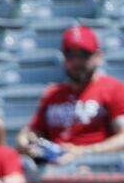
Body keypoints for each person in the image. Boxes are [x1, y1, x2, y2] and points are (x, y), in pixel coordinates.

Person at [17, 26, 124, 167]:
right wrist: (26, 141)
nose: (77, 62)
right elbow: (32, 131)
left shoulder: (113, 88)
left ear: (98, 56)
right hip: (55, 167)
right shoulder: (52, 93)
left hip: (96, 167)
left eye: (83, 54)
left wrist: (84, 152)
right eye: (70, 55)